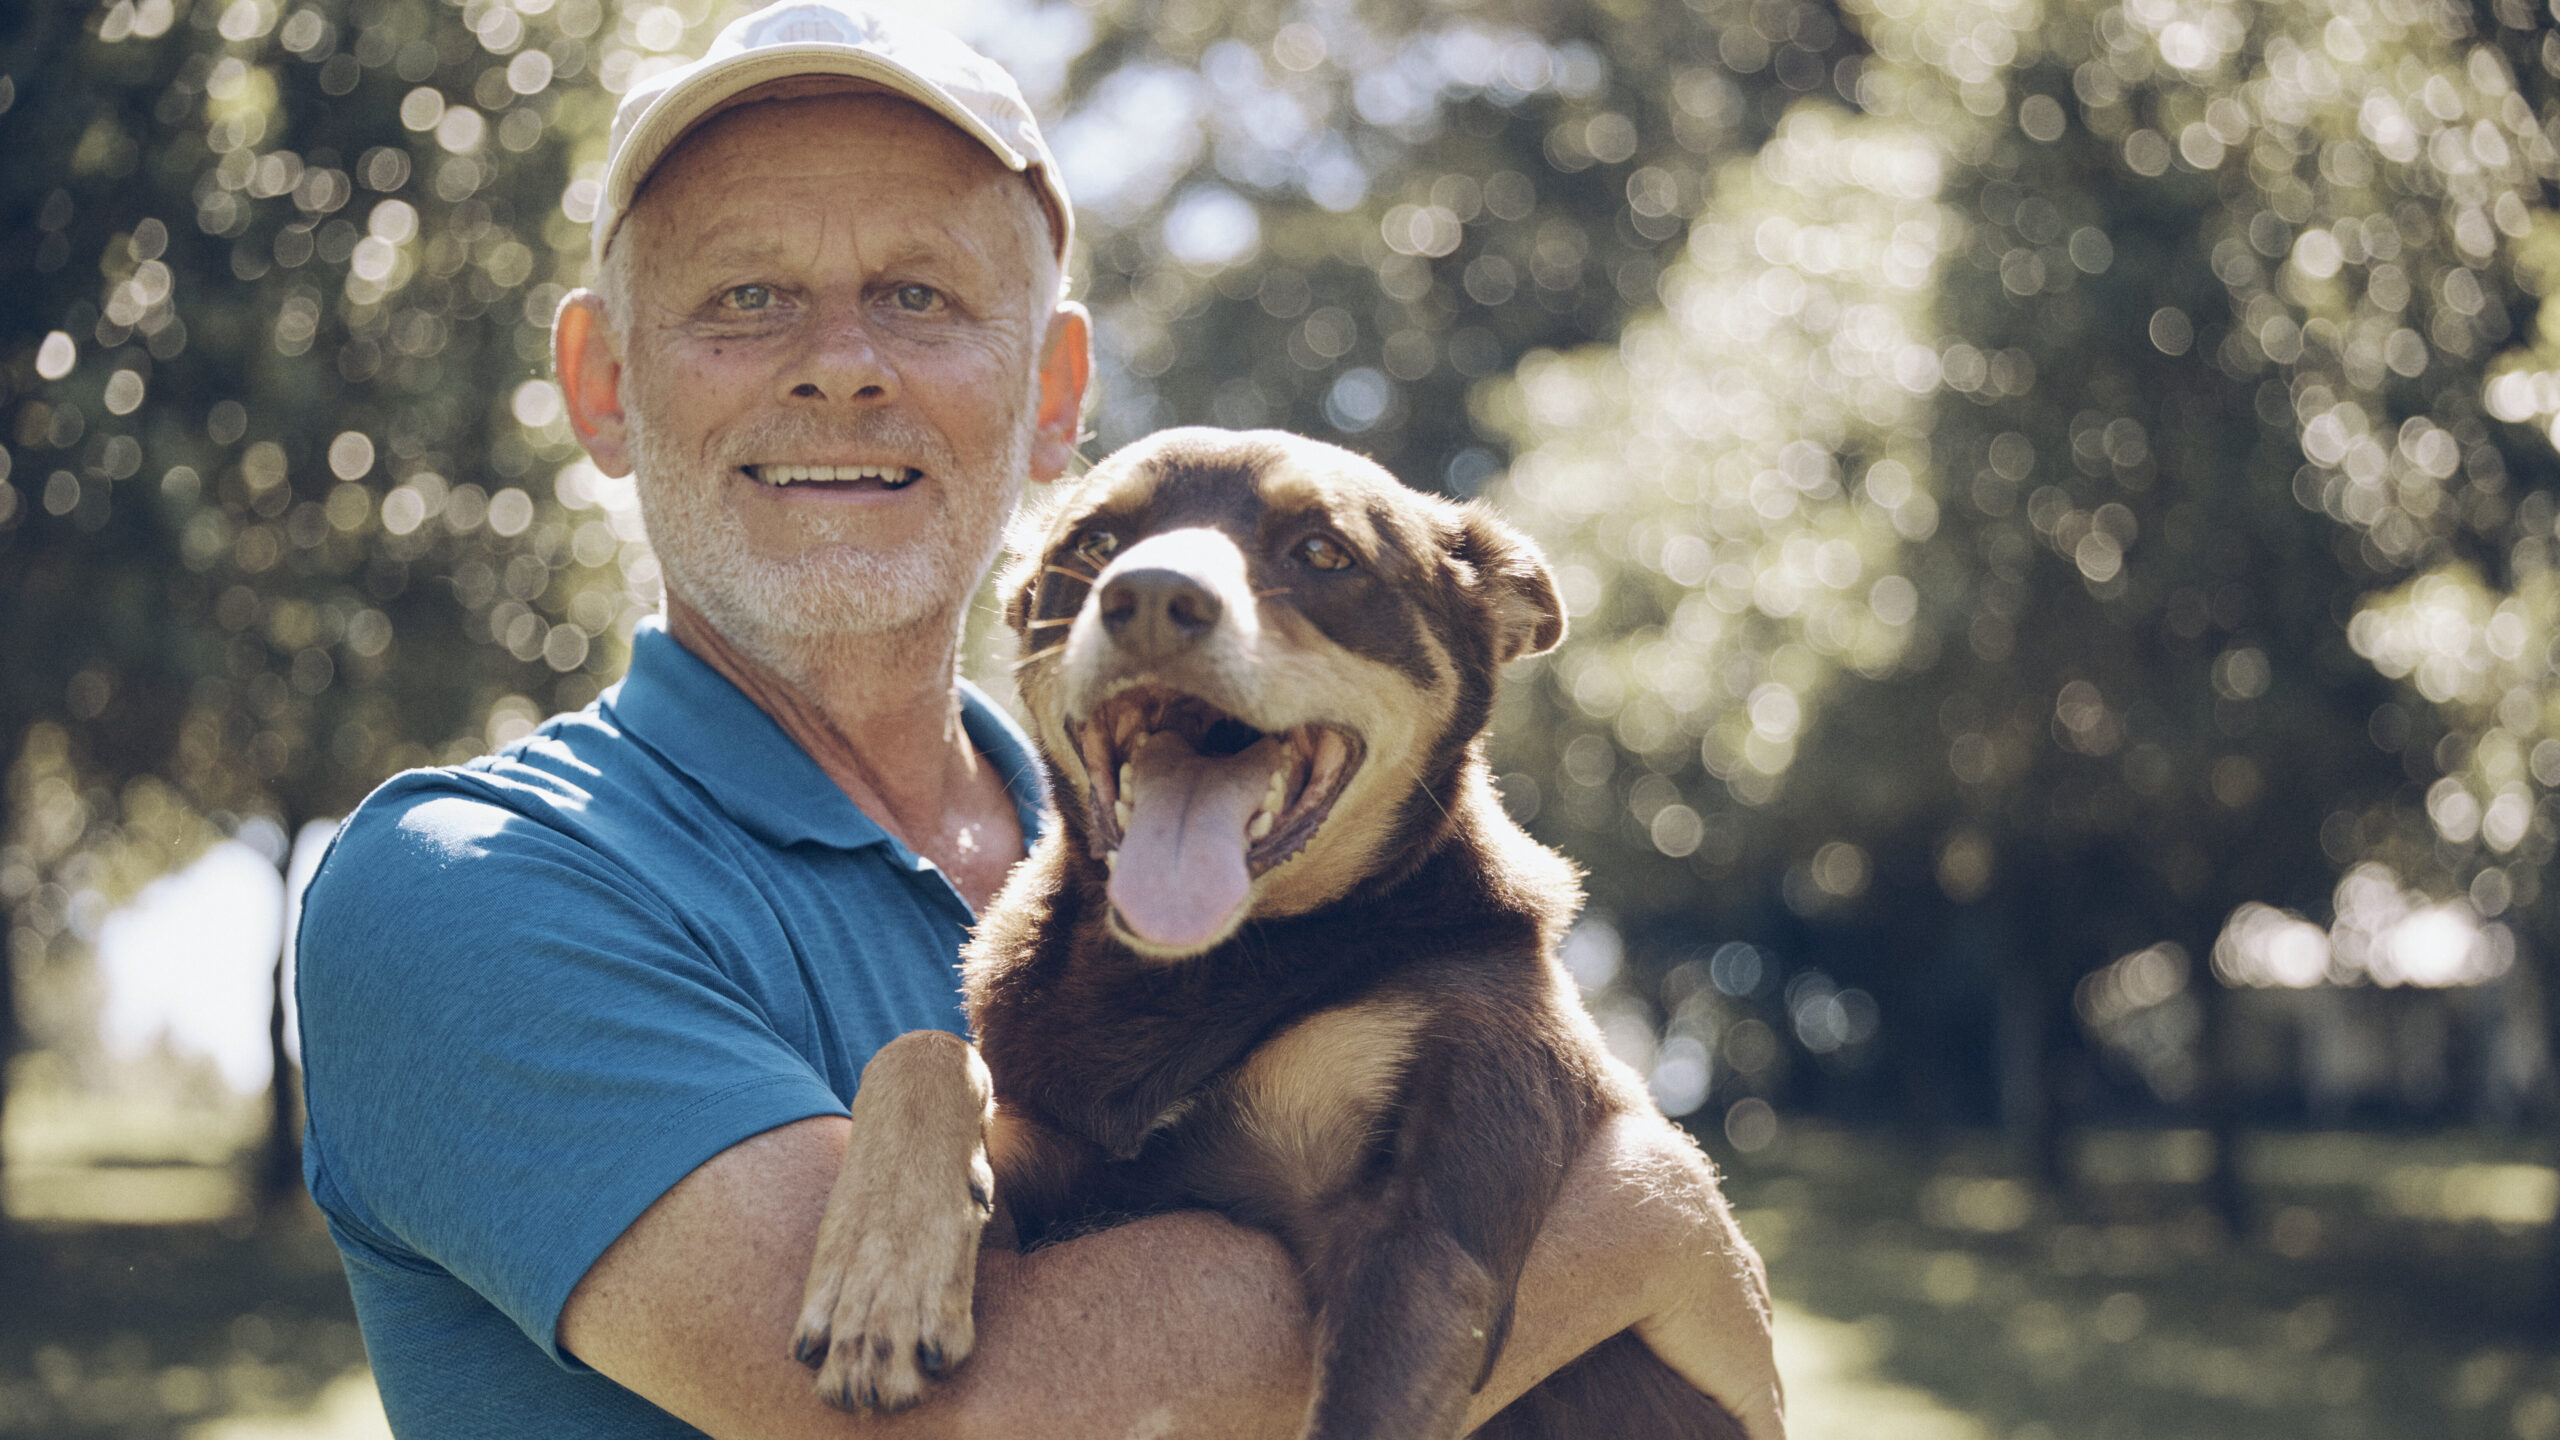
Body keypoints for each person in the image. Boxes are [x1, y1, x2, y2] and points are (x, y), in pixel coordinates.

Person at [292, 4, 1785, 1437]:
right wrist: (1626, 1218)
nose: (841, 359)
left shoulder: (1132, 865)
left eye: (921, 296)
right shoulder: (464, 888)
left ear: (1056, 392)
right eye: (745, 297)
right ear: (603, 385)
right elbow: (942, 1419)